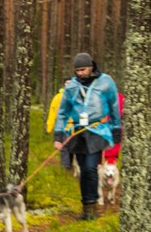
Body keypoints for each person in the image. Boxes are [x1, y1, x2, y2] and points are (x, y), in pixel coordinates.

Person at [53, 53, 123, 220]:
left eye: (83, 70)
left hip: (97, 130)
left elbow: (114, 105)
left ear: (91, 67)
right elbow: (62, 112)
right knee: (84, 171)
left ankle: (91, 209)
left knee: (92, 168)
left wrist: (116, 129)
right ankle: (86, 207)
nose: (80, 73)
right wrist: (58, 135)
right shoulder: (72, 86)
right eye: (77, 70)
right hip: (78, 132)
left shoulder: (106, 82)